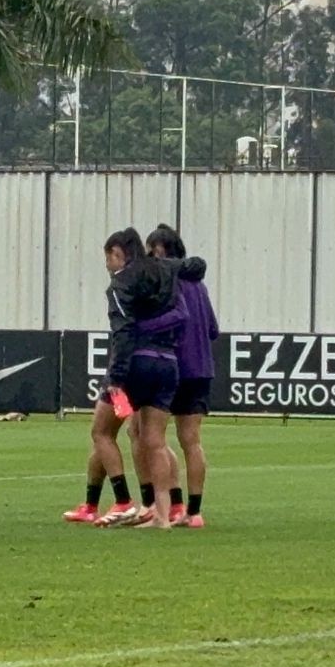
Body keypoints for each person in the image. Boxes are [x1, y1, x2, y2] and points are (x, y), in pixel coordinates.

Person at [96, 227, 185, 529]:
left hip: (137, 364)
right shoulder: (164, 272)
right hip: (168, 362)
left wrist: (115, 379)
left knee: (102, 432)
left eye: (108, 258)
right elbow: (196, 266)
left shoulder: (121, 284)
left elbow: (123, 331)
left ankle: (123, 500)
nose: (108, 265)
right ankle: (162, 515)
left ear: (117, 254)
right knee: (155, 441)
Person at [146, 224, 219, 529]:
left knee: (154, 438)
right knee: (192, 441)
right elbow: (214, 329)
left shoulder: (168, 283)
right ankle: (195, 511)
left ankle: (166, 504)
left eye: (152, 251)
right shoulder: (199, 285)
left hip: (175, 365)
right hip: (202, 368)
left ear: (162, 251)